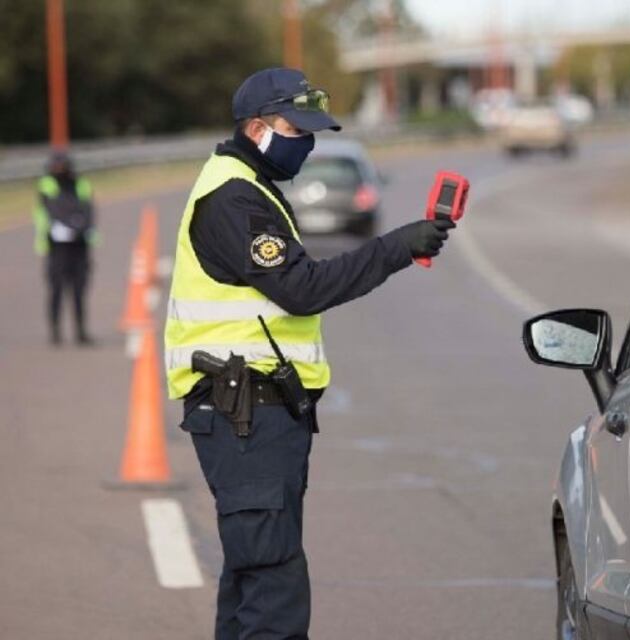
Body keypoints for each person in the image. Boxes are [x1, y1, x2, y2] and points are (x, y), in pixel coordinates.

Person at [163, 67, 455, 639]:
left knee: (254, 572)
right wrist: (394, 248)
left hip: (255, 410)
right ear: (255, 128)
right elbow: (302, 289)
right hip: (243, 408)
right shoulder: (233, 198)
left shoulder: (249, 186)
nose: (308, 141)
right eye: (296, 129)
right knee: (274, 584)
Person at [33, 152, 97, 345]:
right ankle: (55, 332)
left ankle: (81, 331)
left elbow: (88, 210)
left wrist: (78, 227)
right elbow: (53, 210)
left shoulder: (81, 184)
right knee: (57, 290)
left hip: (79, 245)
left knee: (79, 290)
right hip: (56, 247)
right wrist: (73, 222)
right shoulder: (46, 185)